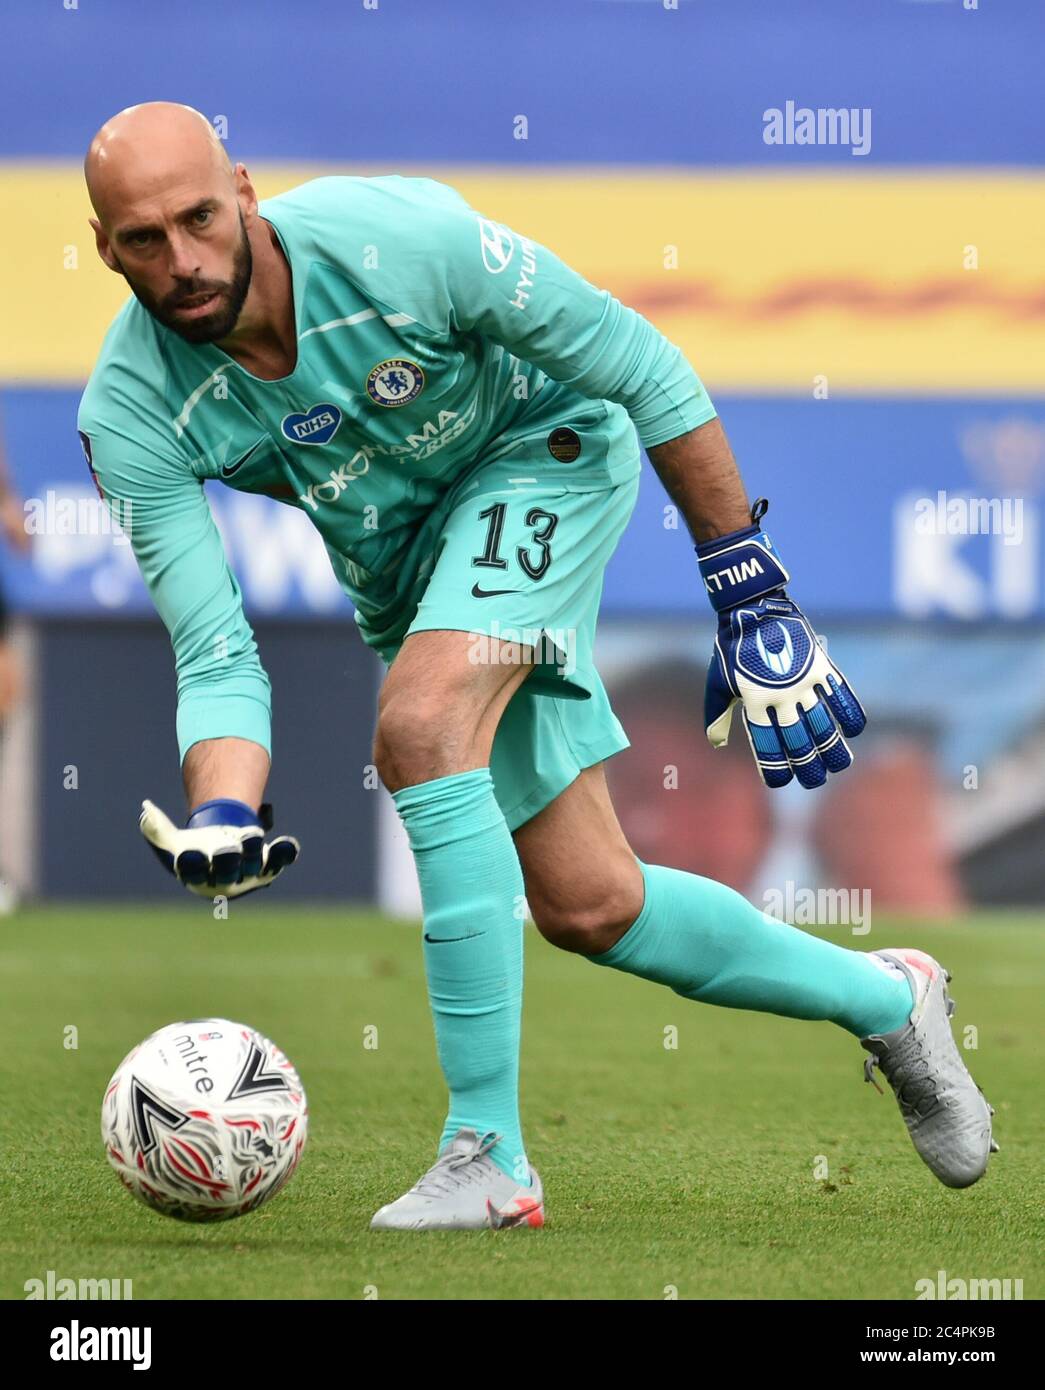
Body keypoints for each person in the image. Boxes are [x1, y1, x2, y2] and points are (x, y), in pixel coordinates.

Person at [79, 102, 996, 1229]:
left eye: (199, 218)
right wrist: (221, 804)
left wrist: (745, 583)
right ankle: (887, 998)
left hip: (546, 457)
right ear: (101, 246)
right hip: (410, 568)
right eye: (143, 240)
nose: (182, 261)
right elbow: (215, 648)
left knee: (419, 728)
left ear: (247, 192)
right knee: (589, 903)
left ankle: (490, 1154)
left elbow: (646, 366)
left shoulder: (401, 243)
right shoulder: (127, 409)